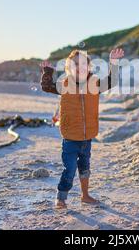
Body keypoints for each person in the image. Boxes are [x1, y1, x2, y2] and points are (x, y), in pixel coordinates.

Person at [41, 48, 125, 209]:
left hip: (87, 136)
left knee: (85, 167)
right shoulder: (64, 84)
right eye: (75, 64)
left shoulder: (95, 83)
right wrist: (48, 71)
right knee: (70, 168)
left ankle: (85, 195)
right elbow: (46, 86)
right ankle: (61, 197)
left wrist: (114, 62)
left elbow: (112, 81)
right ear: (69, 67)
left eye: (83, 63)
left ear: (89, 66)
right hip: (70, 137)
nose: (80, 67)